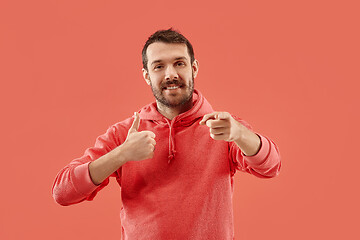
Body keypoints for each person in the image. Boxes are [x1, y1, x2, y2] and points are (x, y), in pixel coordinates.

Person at [52, 28, 281, 240]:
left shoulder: (223, 127)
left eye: (179, 63)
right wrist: (122, 154)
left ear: (194, 68)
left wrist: (240, 134)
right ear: (146, 75)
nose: (170, 74)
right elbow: (63, 192)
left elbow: (271, 166)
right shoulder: (126, 133)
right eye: (159, 66)